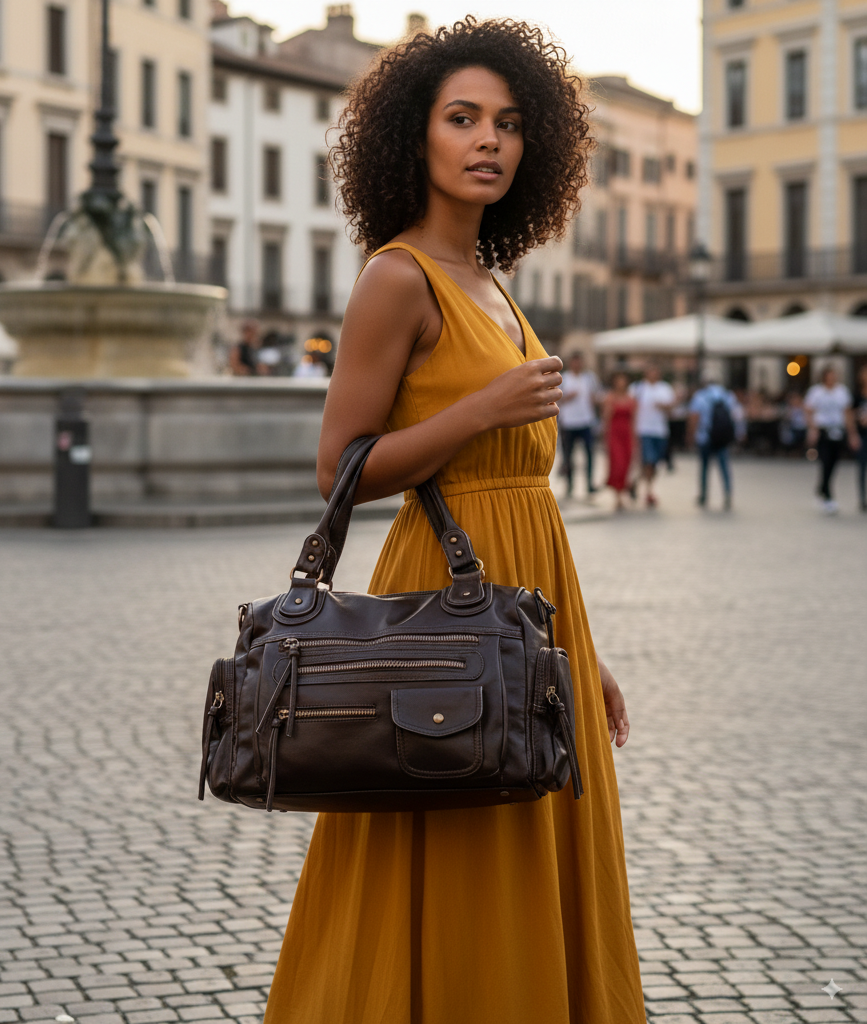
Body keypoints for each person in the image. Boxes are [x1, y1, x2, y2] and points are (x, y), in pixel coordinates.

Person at [262, 18, 646, 1024]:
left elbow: (523, 495)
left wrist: (579, 646)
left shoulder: (494, 284)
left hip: (530, 607)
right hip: (444, 593)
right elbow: (338, 467)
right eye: (463, 118)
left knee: (532, 828)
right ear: (414, 135)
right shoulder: (397, 277)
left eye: (508, 124)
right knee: (461, 824)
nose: (488, 141)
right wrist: (478, 410)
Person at [687, 366, 745, 511]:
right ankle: (727, 493)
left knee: (705, 467)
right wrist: (740, 433)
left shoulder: (700, 396)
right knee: (724, 466)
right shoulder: (727, 395)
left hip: (705, 436)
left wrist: (690, 436)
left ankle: (703, 495)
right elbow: (738, 415)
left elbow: (694, 417)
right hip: (722, 437)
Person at [804, 366, 860, 514]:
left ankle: (822, 487)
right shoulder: (816, 392)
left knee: (834, 461)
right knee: (825, 460)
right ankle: (828, 494)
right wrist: (812, 429)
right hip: (823, 430)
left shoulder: (842, 391)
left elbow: (847, 413)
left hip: (838, 430)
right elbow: (808, 411)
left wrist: (852, 434)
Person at [628, 362, 676, 508]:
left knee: (654, 463)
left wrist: (664, 407)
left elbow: (672, 409)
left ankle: (635, 482)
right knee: (648, 461)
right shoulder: (637, 388)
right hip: (643, 430)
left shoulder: (665, 388)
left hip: (660, 431)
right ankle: (649, 492)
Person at [557, 350, 600, 498]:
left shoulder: (589, 378)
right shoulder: (563, 379)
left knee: (589, 454)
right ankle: (569, 485)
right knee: (568, 455)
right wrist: (567, 398)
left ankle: (589, 484)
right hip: (568, 422)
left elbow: (596, 397)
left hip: (586, 421)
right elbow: (556, 399)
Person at [603, 371, 637, 511]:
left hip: (627, 434)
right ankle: (617, 495)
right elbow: (606, 418)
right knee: (618, 464)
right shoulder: (610, 397)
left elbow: (634, 419)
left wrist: (635, 438)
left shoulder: (631, 399)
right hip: (615, 434)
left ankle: (622, 491)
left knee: (626, 464)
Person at [856, 365, 867, 512]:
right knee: (862, 467)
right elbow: (850, 413)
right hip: (862, 435)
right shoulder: (857, 396)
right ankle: (862, 498)